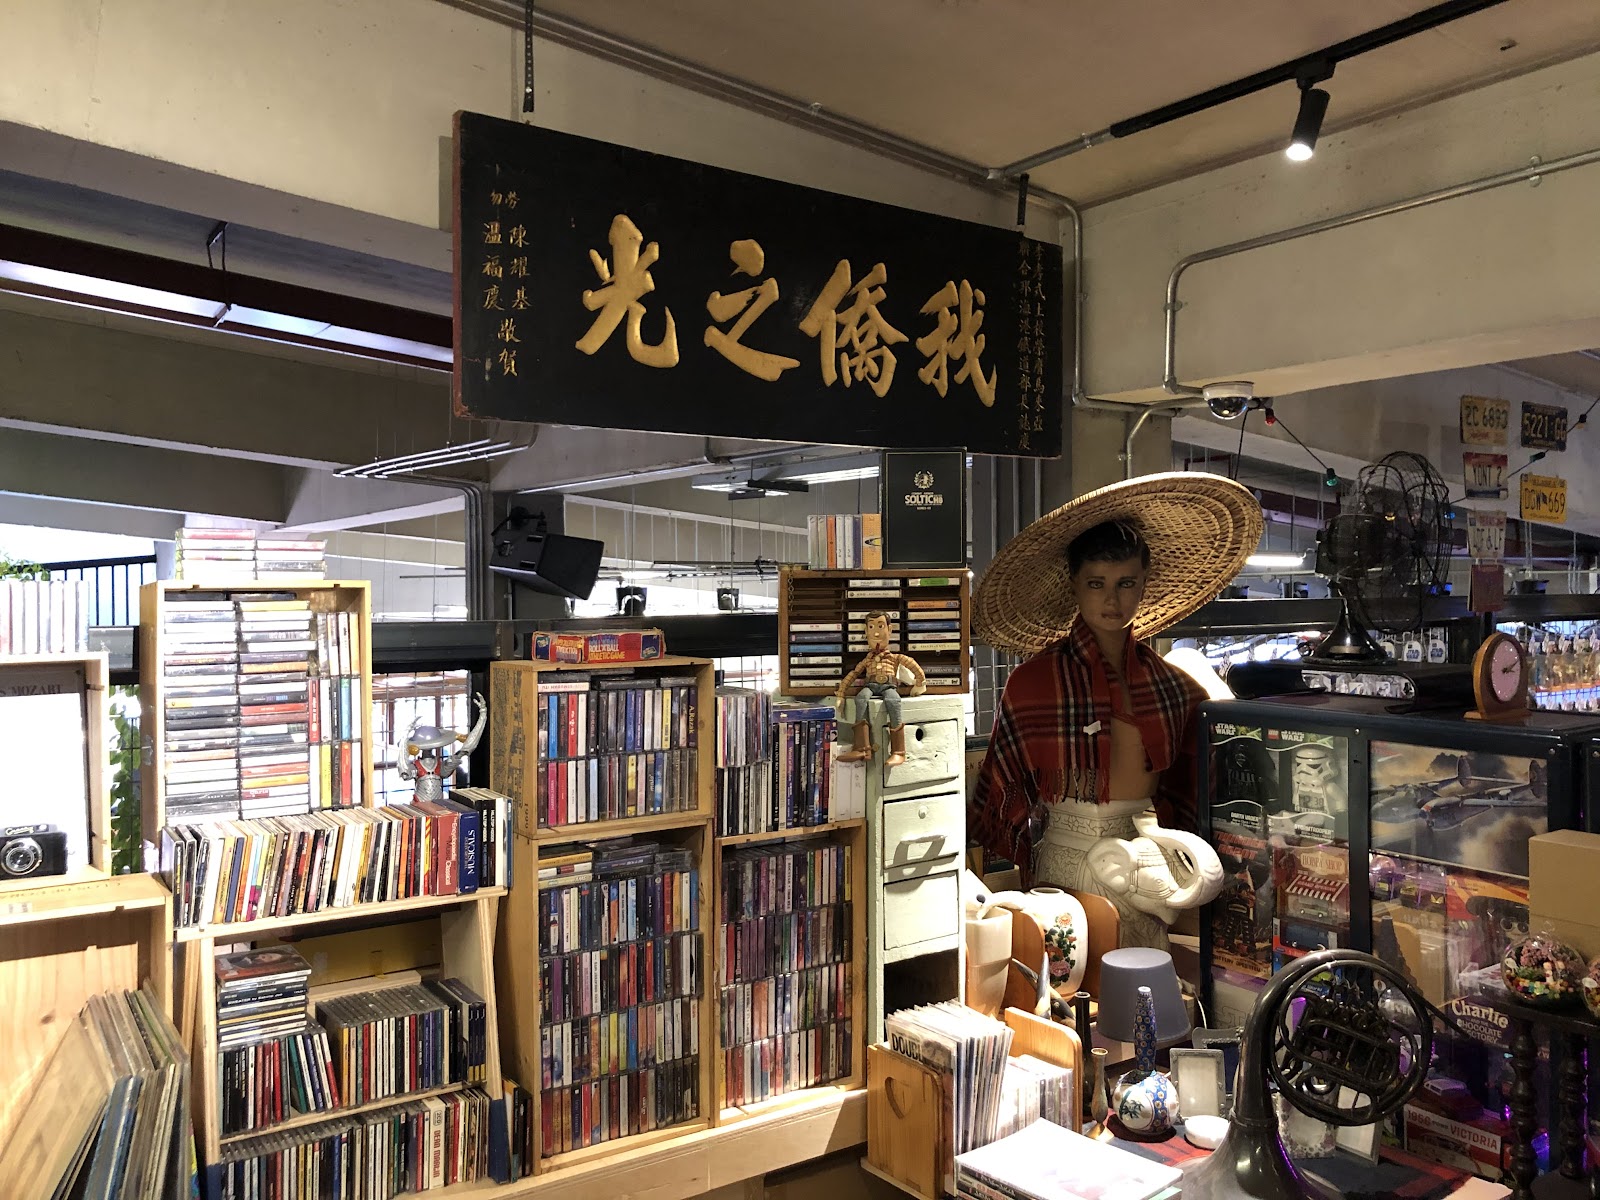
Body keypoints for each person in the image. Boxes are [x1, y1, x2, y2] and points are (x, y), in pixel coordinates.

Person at [968, 472, 1263, 949]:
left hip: (1147, 861)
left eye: (1126, 583)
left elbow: (1199, 778)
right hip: (1064, 860)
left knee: (1145, 973)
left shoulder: (1174, 686)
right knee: (1074, 979)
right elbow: (1002, 789)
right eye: (1096, 583)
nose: (1111, 599)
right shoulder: (1033, 684)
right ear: (1074, 585)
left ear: (1144, 584)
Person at [835, 610, 927, 767]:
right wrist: (841, 694)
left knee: (893, 700)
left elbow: (913, 664)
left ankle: (898, 751)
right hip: (870, 685)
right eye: (871, 627)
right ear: (866, 631)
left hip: (889, 685)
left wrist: (920, 682)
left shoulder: (895, 657)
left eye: (880, 626)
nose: (876, 633)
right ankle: (862, 748)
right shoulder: (867, 660)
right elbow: (854, 673)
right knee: (861, 698)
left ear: (889, 630)